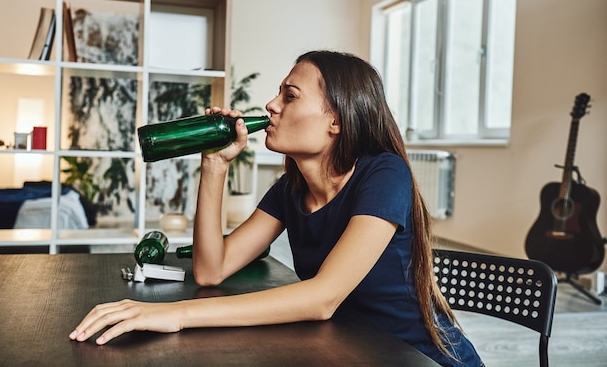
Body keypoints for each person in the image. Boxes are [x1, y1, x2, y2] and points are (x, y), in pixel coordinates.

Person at [69, 50, 482, 366]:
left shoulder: (384, 174)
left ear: (335, 120)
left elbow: (323, 298)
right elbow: (212, 269)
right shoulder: (290, 189)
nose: (270, 104)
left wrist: (177, 315)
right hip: (350, 350)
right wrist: (215, 163)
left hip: (418, 358)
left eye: (290, 95)